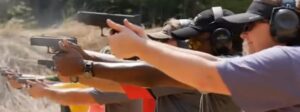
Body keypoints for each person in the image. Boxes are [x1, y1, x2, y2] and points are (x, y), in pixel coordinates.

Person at [103, 0, 300, 111]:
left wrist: (142, 46)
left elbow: (207, 75)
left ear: (284, 24)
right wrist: (144, 44)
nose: (243, 34)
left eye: (249, 26)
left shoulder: (287, 61)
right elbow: (210, 63)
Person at [53, 8, 242, 112]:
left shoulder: (210, 74)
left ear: (222, 40)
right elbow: (132, 69)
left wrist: (84, 66)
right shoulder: (234, 69)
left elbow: (137, 78)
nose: (190, 47)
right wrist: (85, 57)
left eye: (195, 42)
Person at [3, 70, 143, 112]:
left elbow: (73, 95)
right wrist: (23, 81)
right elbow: (51, 81)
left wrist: (45, 92)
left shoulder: (123, 87)